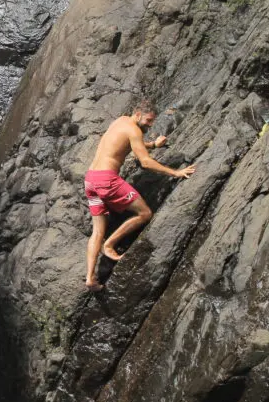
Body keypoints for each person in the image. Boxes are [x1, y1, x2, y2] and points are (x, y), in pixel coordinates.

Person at [83, 100, 195, 291]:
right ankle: (109, 245)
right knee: (144, 214)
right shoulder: (133, 130)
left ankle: (90, 278)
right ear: (138, 114)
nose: (150, 125)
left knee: (97, 231)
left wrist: (153, 144)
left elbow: (129, 146)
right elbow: (145, 162)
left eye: (153, 122)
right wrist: (175, 172)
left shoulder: (120, 121)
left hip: (91, 180)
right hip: (106, 180)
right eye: (149, 120)